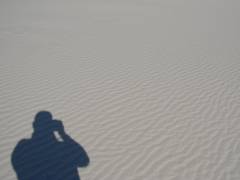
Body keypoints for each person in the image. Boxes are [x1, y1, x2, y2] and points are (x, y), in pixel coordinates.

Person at [11, 111, 89, 180]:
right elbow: (84, 161)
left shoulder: (23, 147)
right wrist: (62, 133)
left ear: (34, 125)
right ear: (52, 126)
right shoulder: (63, 148)